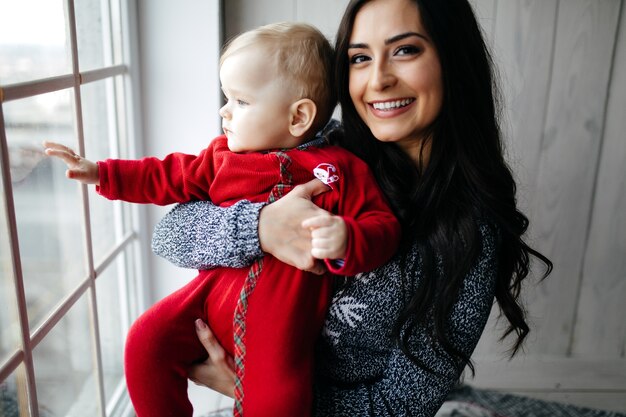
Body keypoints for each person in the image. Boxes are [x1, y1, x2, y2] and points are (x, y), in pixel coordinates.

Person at [151, 0, 554, 416]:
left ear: (452, 58)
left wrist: (253, 390)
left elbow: (402, 406)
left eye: (405, 50)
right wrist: (260, 228)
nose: (378, 79)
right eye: (360, 58)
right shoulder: (321, 150)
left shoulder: (469, 234)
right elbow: (169, 235)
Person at [44, 22, 401, 417]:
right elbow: (166, 175)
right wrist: (103, 173)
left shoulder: (339, 169)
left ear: (298, 117)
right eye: (226, 97)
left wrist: (347, 239)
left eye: (241, 101)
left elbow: (383, 226)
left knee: (280, 402)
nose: (224, 111)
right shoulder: (221, 158)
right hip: (207, 297)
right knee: (145, 342)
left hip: (279, 327)